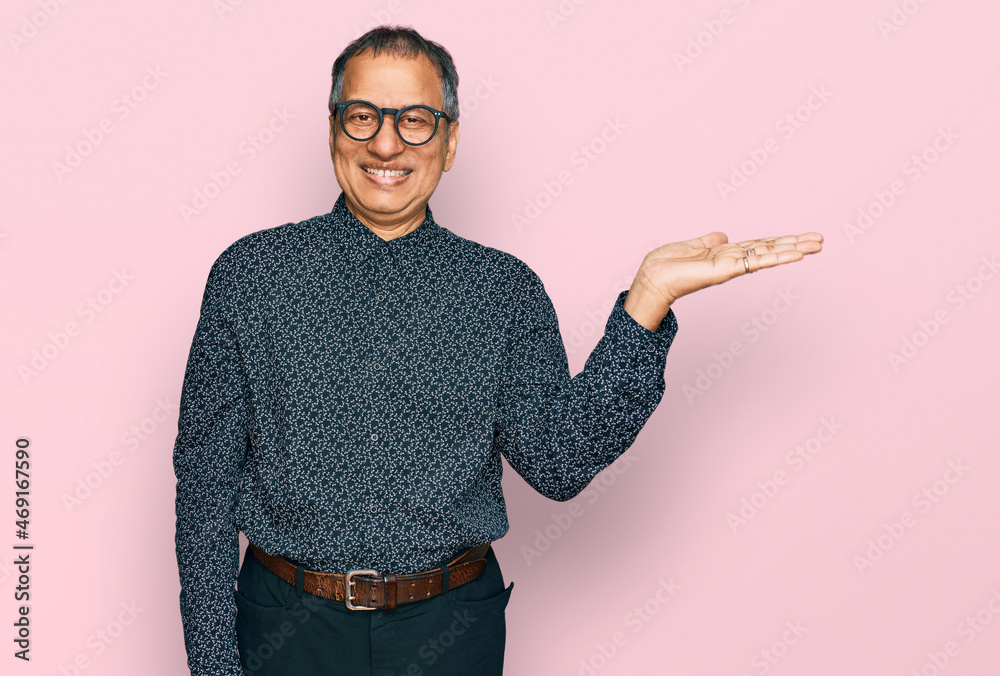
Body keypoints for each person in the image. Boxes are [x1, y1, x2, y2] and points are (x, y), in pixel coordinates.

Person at [171, 24, 823, 676]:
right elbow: (204, 490)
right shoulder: (249, 275)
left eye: (416, 119)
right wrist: (213, 665)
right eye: (364, 116)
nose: (387, 142)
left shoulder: (503, 290)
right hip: (285, 628)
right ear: (334, 130)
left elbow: (560, 460)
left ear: (451, 141)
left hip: (450, 632)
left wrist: (646, 303)